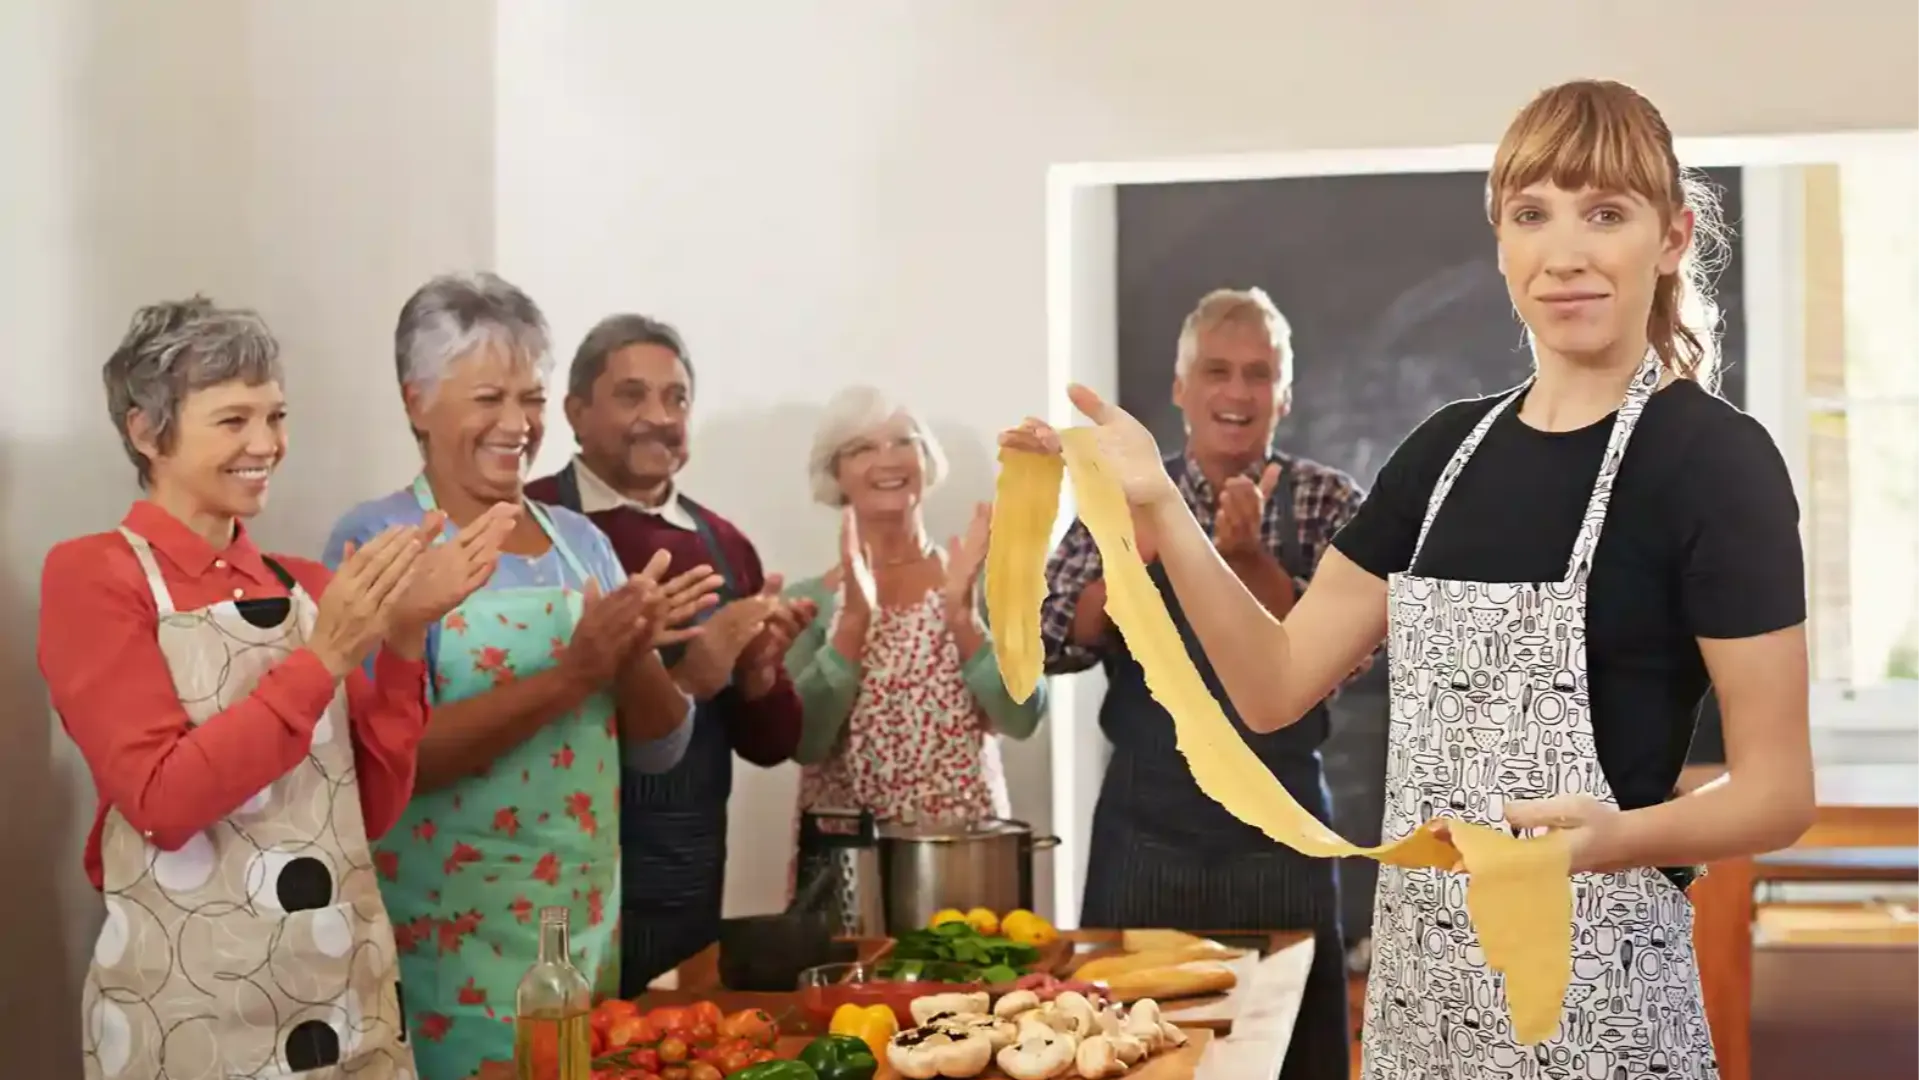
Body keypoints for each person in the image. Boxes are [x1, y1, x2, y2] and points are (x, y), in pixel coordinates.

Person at [1003, 79, 1814, 1080]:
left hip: (1603, 1000)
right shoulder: (1443, 457)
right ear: (1501, 240)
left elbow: (1779, 792)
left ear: (1672, 237)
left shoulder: (1714, 461)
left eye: (1605, 213)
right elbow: (1273, 685)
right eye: (1532, 214)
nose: (1564, 253)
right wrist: (1162, 508)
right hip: (1420, 1001)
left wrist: (1606, 842)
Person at [40, 297, 511, 1080]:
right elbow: (161, 803)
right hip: (193, 1012)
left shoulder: (308, 586)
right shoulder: (95, 575)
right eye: (233, 420)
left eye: (276, 416)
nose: (266, 444)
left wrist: (403, 636)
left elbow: (367, 813)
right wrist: (323, 660)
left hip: (347, 995)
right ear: (146, 432)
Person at [326, 276, 715, 1080]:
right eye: (489, 399)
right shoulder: (379, 539)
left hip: (581, 929)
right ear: (417, 403)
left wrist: (632, 649)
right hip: (444, 942)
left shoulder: (581, 541)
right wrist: (574, 673)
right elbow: (387, 762)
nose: (518, 425)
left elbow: (660, 746)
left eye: (531, 399)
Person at [1038, 288, 1363, 1080]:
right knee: (1127, 1053)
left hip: (1282, 836)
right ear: (1181, 388)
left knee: (1297, 1058)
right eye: (1217, 371)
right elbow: (1051, 638)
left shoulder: (1330, 502)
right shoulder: (1121, 496)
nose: (1237, 392)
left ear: (1286, 394)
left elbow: (1348, 655)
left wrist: (1248, 561)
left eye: (1259, 373)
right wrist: (1137, 553)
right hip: (1145, 832)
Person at [527, 313, 810, 993]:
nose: (658, 416)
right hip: (544, 872)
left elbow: (772, 745)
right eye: (632, 395)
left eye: (676, 398)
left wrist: (760, 675)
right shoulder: (525, 526)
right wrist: (686, 677)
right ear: (575, 412)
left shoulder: (725, 545)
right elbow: (517, 707)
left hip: (685, 882)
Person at [783, 387, 1045, 901]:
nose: (888, 459)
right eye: (862, 448)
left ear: (927, 461)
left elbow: (1023, 716)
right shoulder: (808, 603)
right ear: (835, 473)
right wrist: (853, 622)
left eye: (904, 442)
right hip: (847, 872)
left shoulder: (982, 582)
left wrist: (964, 619)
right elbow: (803, 742)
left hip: (966, 860)